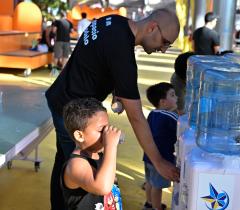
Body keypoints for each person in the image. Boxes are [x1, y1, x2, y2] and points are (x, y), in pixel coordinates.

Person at [45, 8, 180, 210]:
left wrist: (116, 86)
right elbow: (136, 117)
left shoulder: (114, 22)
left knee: (64, 163)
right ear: (153, 27)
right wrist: (158, 161)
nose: (164, 49)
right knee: (80, 175)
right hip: (73, 113)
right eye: (165, 42)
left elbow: (99, 56)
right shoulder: (123, 53)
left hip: (62, 98)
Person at [62, 98, 122, 210]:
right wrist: (111, 146)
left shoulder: (101, 156)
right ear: (80, 136)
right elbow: (103, 188)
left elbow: (112, 188)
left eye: (107, 128)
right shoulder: (76, 164)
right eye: (101, 130)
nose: (106, 133)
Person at [143, 82, 178, 210]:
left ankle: (148, 203)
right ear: (163, 102)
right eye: (173, 95)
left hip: (148, 157)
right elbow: (182, 130)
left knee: (149, 182)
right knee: (157, 187)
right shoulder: (171, 116)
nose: (177, 98)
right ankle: (156, 208)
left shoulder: (152, 114)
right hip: (161, 159)